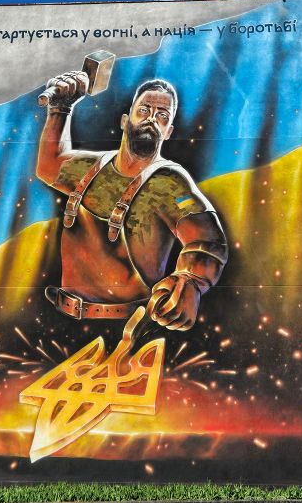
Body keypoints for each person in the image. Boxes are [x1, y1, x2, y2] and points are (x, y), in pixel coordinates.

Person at [36, 72, 227, 330]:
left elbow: (208, 241)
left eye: (162, 116)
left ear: (168, 131)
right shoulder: (90, 169)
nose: (151, 119)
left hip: (127, 331)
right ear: (126, 120)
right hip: (63, 321)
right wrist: (60, 109)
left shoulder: (169, 182)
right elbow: (49, 166)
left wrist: (190, 282)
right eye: (144, 110)